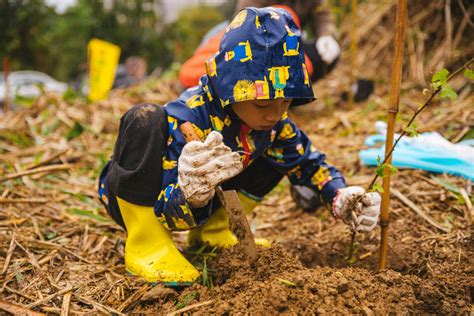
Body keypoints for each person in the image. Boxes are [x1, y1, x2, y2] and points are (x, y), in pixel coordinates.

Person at [98, 7, 380, 286]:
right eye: (262, 104)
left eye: (285, 102)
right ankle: (148, 244)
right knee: (143, 118)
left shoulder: (272, 125)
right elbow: (171, 215)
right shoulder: (189, 122)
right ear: (228, 88)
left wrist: (338, 194)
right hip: (148, 198)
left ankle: (214, 231)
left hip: (204, 205)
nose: (274, 114)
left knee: (276, 152)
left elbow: (308, 163)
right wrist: (190, 193)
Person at [179, 1, 340, 89]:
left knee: (322, 55)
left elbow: (322, 14)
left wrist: (326, 36)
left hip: (287, 38)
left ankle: (283, 95)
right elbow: (244, 23)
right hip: (253, 39)